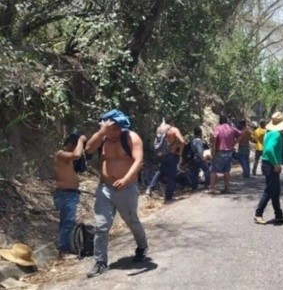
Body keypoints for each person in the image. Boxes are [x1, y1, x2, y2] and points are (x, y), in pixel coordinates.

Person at [84, 109, 148, 278]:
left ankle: (142, 247)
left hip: (126, 188)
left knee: (132, 221)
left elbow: (138, 160)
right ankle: (100, 262)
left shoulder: (131, 138)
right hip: (105, 188)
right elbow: (89, 149)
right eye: (109, 129)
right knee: (101, 225)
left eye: (115, 129)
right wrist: (101, 132)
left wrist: (126, 179)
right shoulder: (102, 137)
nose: (113, 133)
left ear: (121, 127)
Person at [53, 133, 87, 259]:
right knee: (68, 222)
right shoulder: (61, 154)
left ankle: (64, 250)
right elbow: (76, 154)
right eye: (75, 146)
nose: (77, 149)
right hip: (65, 194)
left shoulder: (67, 159)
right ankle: (63, 251)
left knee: (66, 222)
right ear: (69, 145)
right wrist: (81, 141)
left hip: (69, 194)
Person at [254, 112, 283, 224]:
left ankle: (278, 214)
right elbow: (269, 150)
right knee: (270, 190)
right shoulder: (276, 135)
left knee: (276, 190)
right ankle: (258, 213)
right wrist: (276, 164)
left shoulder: (268, 132)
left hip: (266, 163)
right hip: (270, 165)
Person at [147, 116, 185, 203]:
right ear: (171, 121)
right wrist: (180, 153)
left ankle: (150, 188)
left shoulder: (159, 129)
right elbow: (182, 141)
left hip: (162, 155)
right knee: (171, 176)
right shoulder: (173, 129)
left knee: (160, 171)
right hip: (172, 155)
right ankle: (168, 198)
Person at [209, 115, 241, 194]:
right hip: (229, 151)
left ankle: (212, 189)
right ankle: (226, 188)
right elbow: (240, 134)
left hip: (219, 151)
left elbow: (214, 137)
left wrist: (213, 146)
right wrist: (235, 143)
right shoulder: (231, 128)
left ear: (220, 121)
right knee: (226, 171)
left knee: (213, 170)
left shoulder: (218, 128)